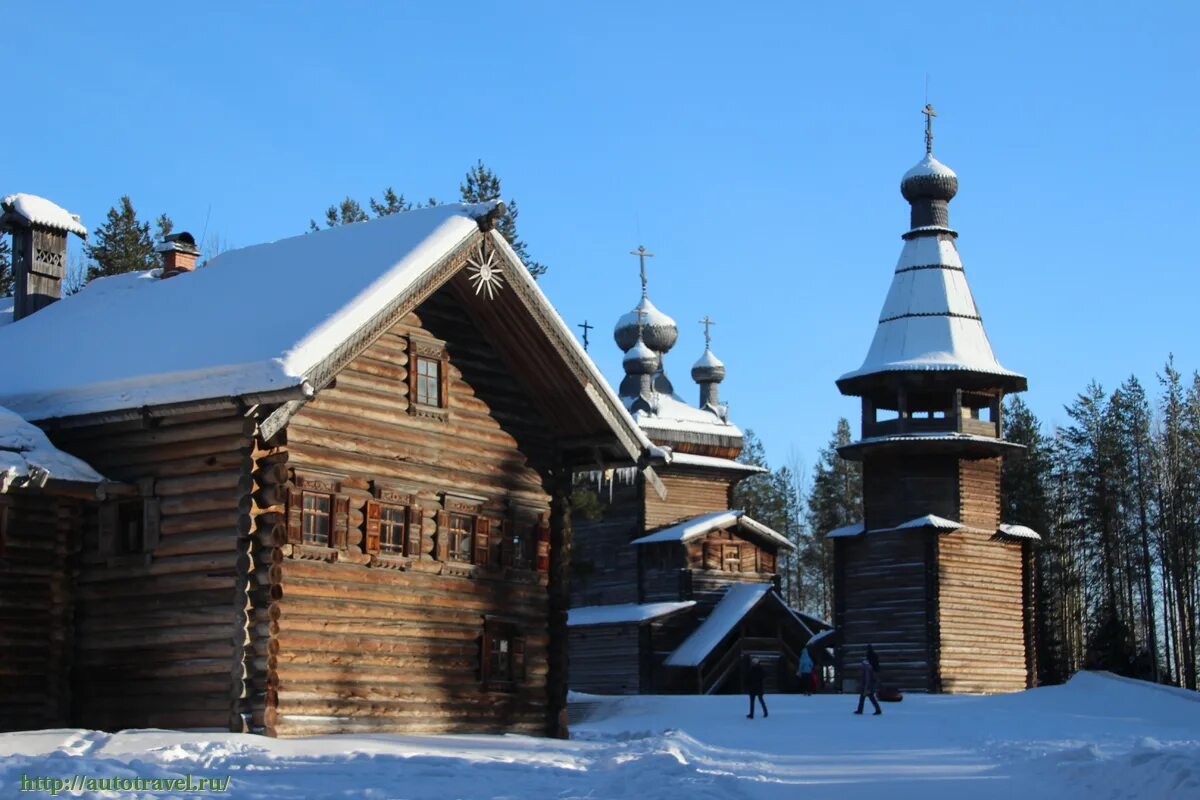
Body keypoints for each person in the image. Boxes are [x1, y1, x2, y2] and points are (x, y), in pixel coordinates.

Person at [854, 645, 882, 716]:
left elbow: (867, 678)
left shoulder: (866, 668)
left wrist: (866, 687)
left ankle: (877, 710)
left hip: (867, 685)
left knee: (869, 697)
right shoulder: (869, 666)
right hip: (867, 685)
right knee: (865, 698)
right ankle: (860, 710)